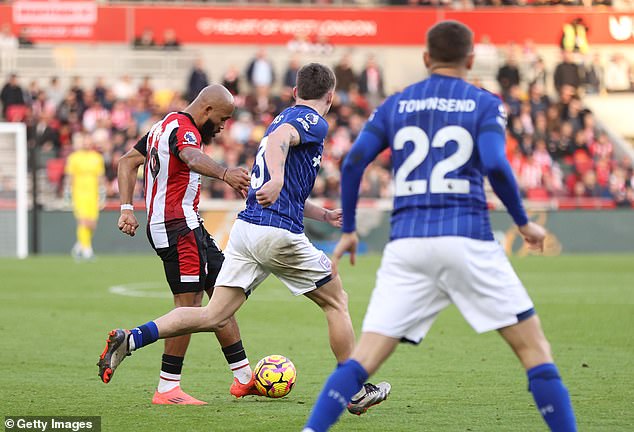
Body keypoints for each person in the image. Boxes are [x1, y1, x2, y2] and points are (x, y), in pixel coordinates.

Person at [303, 21, 577, 432]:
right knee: (536, 352)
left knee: (362, 360)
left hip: (408, 244)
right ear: (470, 60)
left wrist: (350, 228)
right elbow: (497, 165)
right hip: (468, 237)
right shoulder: (484, 103)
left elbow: (355, 160)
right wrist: (523, 223)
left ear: (426, 58)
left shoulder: (396, 104)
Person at [97, 64, 390, 414]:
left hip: (247, 231)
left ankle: (132, 339)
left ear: (295, 92)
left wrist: (323, 214)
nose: (221, 128)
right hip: (275, 233)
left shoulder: (279, 120)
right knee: (336, 301)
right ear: (329, 96)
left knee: (211, 315)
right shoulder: (313, 121)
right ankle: (354, 391)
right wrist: (278, 179)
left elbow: (279, 179)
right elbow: (279, 160)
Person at [103, 84, 254, 405]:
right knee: (190, 308)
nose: (224, 125)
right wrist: (225, 173)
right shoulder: (185, 130)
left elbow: (127, 161)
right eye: (223, 118)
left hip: (187, 225)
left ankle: (244, 378)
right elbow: (190, 155)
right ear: (207, 111)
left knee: (225, 292)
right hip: (177, 227)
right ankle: (165, 385)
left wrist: (127, 209)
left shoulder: (163, 125)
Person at [64, 132, 105, 261]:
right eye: (84, 141)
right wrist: (67, 191)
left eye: (88, 141)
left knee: (92, 224)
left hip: (93, 193)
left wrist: (102, 191)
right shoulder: (74, 158)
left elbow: (100, 176)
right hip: (79, 192)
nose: (86, 143)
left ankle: (79, 246)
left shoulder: (97, 157)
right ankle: (87, 250)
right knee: (83, 221)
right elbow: (70, 176)